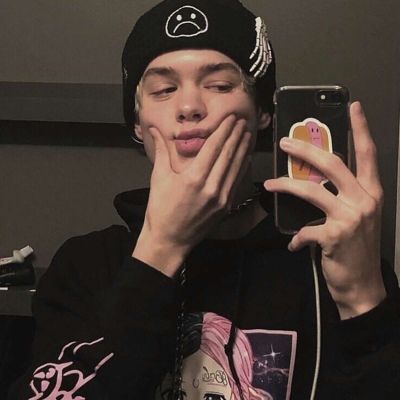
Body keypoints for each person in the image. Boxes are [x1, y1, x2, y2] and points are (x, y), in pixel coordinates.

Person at [7, 0, 400, 399]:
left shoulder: (332, 257)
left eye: (219, 86)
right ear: (138, 124)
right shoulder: (87, 266)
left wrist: (362, 300)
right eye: (164, 90)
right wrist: (161, 250)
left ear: (262, 111)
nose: (189, 107)